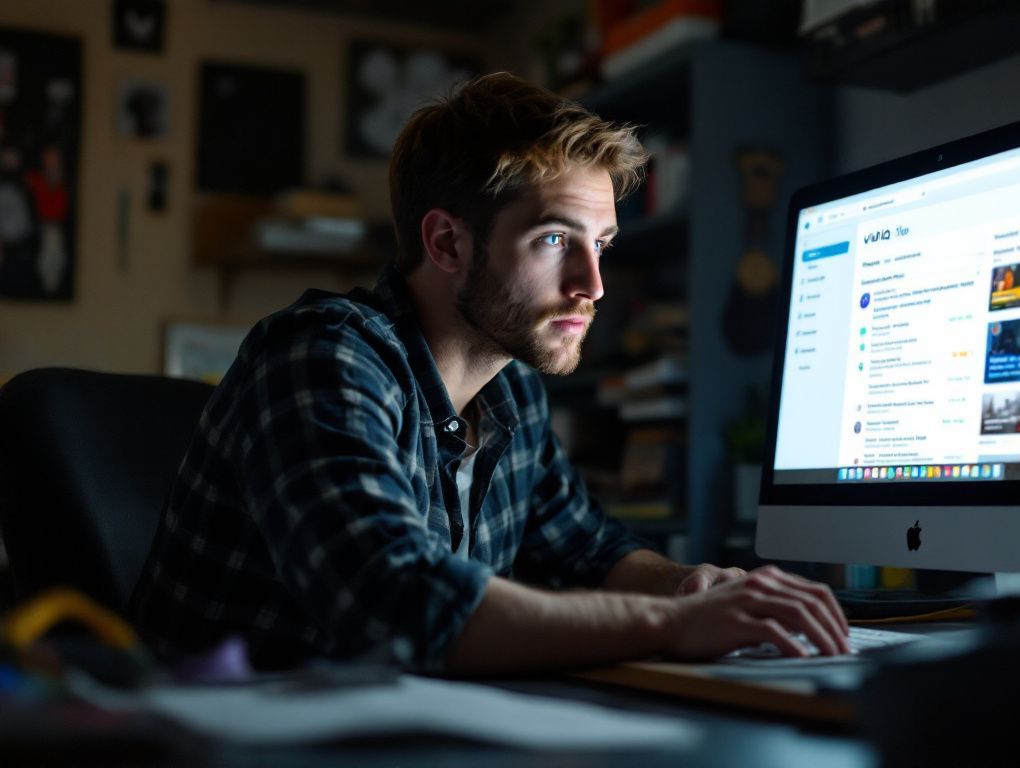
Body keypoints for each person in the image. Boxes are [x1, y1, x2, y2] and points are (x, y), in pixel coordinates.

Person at [130, 73, 849, 675]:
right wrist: (669, 625)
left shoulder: (511, 392)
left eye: (601, 244)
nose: (593, 284)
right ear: (447, 241)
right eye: (555, 240)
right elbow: (395, 601)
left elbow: (586, 549)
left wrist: (692, 587)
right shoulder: (321, 360)